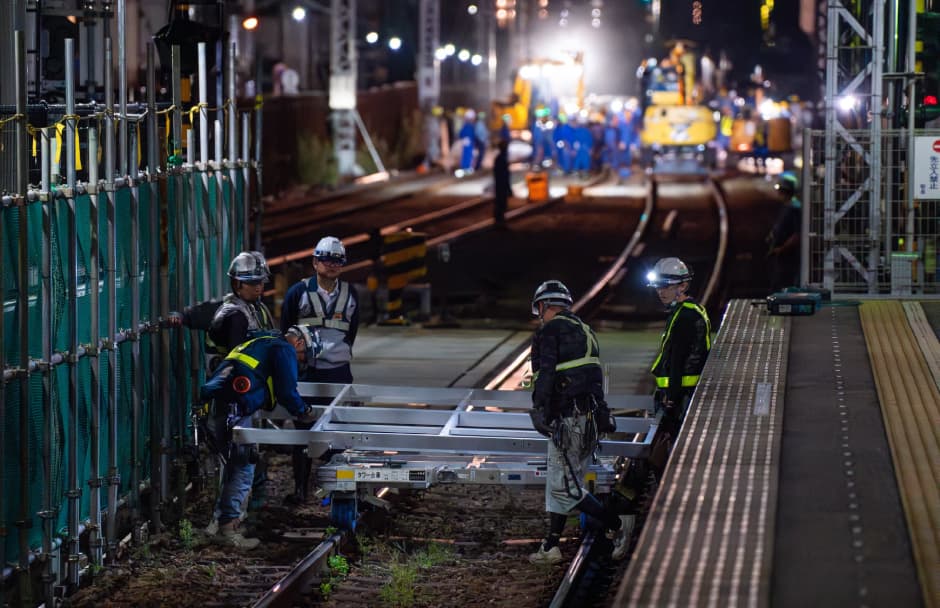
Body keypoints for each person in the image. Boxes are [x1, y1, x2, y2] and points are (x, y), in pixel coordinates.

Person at [527, 280, 633, 565]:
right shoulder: (586, 331)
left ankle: (617, 525)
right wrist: (603, 413)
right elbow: (594, 377)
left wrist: (538, 409)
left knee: (564, 486)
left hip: (567, 419)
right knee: (560, 481)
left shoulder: (549, 330)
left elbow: (545, 373)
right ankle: (551, 546)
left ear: (543, 306)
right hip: (588, 420)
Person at [199, 326, 320, 548]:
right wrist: (304, 411)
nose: (300, 361)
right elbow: (287, 391)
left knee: (232, 466)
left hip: (221, 403)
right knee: (242, 465)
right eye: (303, 357)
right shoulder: (284, 348)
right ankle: (228, 529)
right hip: (235, 407)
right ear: (300, 343)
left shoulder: (261, 342)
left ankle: (219, 523)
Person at [280, 236, 360, 503]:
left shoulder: (351, 294)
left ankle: (337, 489)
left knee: (338, 430)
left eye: (337, 260)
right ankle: (301, 490)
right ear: (315, 263)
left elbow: (352, 332)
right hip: (307, 372)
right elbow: (286, 332)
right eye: (326, 260)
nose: (332, 265)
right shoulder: (298, 292)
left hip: (338, 371)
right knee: (303, 430)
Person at [644, 258, 712, 475]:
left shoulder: (685, 316)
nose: (660, 292)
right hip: (684, 391)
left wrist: (671, 396)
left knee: (674, 447)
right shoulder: (688, 310)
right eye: (658, 287)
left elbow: (677, 359)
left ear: (682, 286)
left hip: (681, 394)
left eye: (665, 286)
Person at [207, 251, 276, 366]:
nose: (258, 287)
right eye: (253, 282)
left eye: (261, 281)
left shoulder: (258, 308)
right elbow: (238, 357)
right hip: (232, 376)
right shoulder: (234, 314)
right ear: (236, 283)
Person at [766, 171, 802, 291]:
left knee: (784, 285)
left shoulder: (794, 208)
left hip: (789, 257)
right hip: (783, 255)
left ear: (784, 190)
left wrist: (781, 249)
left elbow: (797, 234)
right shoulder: (789, 206)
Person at [492, 139, 512, 227]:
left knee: (500, 203)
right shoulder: (502, 159)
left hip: (499, 185)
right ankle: (499, 222)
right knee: (501, 204)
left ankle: (499, 221)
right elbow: (504, 175)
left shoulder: (499, 159)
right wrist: (508, 188)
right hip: (501, 185)